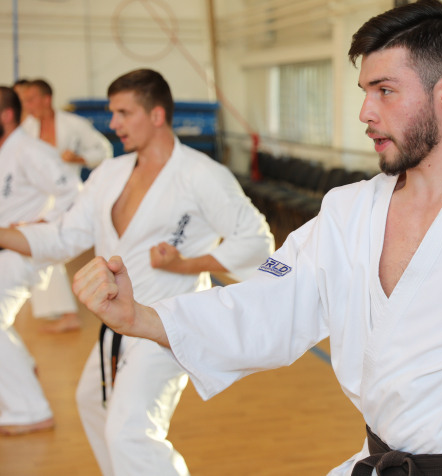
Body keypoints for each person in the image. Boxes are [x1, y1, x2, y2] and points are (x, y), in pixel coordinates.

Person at [71, 2, 442, 475]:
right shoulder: (347, 211)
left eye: (384, 90)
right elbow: (264, 304)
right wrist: (143, 317)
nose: (365, 112)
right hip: (379, 461)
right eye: (364, 91)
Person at [0, 70, 273, 475]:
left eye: (124, 113)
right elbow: (62, 236)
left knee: (130, 432)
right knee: (92, 401)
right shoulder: (110, 173)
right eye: (112, 113)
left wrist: (185, 263)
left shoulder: (200, 174)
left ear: (157, 115)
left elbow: (256, 241)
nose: (113, 124)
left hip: (168, 323)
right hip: (119, 322)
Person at [0, 86, 81, 435]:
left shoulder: (30, 151)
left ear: (6, 115)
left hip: (22, 252)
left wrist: (43, 224)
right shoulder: (7, 151)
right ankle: (22, 365)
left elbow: (72, 192)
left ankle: (30, 410)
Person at [21, 79, 114, 332]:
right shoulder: (25, 130)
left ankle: (68, 312)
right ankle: (61, 310)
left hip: (71, 197)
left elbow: (104, 150)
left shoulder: (74, 124)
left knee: (46, 247)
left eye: (30, 99)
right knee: (42, 247)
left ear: (46, 99)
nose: (27, 105)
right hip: (40, 200)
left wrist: (79, 157)